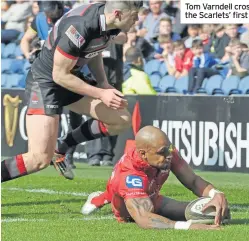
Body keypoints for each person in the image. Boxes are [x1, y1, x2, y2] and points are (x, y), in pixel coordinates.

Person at [1, 1, 143, 183]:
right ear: (117, 13)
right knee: (38, 159)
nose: (137, 20)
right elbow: (59, 75)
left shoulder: (108, 21)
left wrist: (103, 83)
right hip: (46, 83)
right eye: (134, 16)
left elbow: (95, 50)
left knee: (121, 119)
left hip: (70, 77)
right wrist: (100, 93)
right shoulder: (80, 26)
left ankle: (63, 146)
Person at [81, 126, 229, 230]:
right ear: (143, 154)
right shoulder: (129, 175)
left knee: (215, 212)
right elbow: (144, 218)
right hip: (128, 208)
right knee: (139, 206)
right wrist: (188, 226)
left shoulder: (166, 153)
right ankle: (98, 199)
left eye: (169, 149)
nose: (169, 155)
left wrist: (215, 194)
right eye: (163, 152)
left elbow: (193, 180)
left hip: (152, 197)